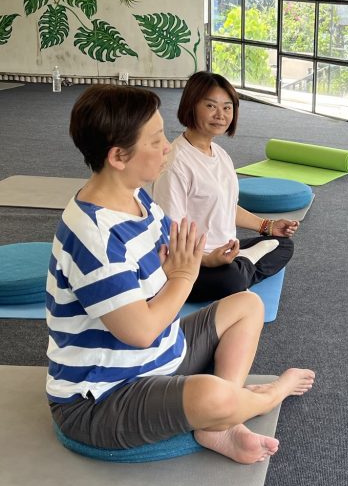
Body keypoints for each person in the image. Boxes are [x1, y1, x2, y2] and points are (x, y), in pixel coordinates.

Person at [46, 83, 315, 461]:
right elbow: (141, 331)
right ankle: (266, 396)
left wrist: (204, 261)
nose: (167, 147)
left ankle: (218, 422)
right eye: (156, 140)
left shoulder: (136, 197)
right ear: (119, 156)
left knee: (248, 305)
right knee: (213, 395)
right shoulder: (94, 236)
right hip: (101, 399)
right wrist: (183, 277)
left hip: (159, 355)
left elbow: (178, 252)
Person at [153, 72, 298, 303]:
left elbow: (227, 207)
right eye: (211, 106)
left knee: (284, 245)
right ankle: (243, 266)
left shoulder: (220, 155)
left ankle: (242, 263)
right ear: (191, 106)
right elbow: (169, 234)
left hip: (225, 251)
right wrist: (208, 260)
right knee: (231, 280)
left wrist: (267, 226)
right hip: (188, 264)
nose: (220, 115)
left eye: (227, 107)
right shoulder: (176, 163)